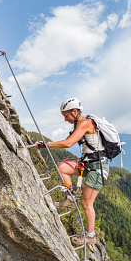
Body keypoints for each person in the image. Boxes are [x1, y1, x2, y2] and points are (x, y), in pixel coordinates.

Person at [35, 98, 109, 246]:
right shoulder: (79, 124)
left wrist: (45, 144)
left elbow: (68, 143)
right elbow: (68, 141)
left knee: (86, 203)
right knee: (61, 166)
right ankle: (69, 200)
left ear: (75, 111)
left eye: (66, 115)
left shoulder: (86, 124)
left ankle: (90, 235)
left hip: (98, 167)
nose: (65, 119)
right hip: (89, 163)